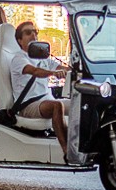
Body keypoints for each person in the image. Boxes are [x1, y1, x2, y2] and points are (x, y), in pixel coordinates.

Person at [8, 21, 70, 158]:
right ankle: (67, 151)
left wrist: (76, 70)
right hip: (28, 105)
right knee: (57, 106)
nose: (33, 35)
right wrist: (52, 73)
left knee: (78, 102)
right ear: (19, 40)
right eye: (28, 32)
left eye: (35, 32)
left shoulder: (43, 58)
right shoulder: (19, 58)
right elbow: (34, 71)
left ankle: (81, 142)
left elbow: (62, 68)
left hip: (45, 101)